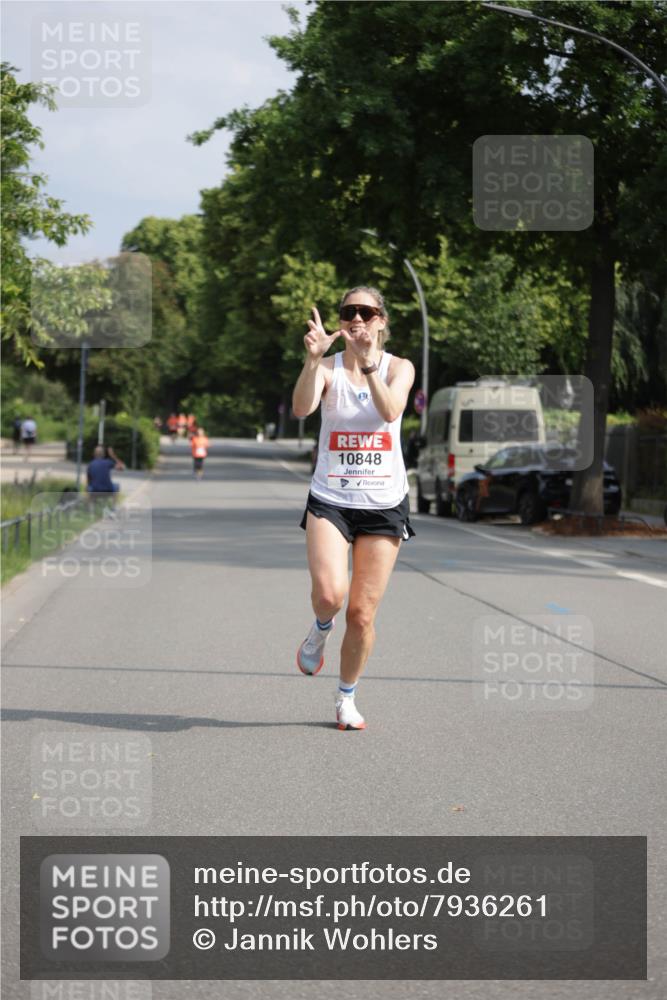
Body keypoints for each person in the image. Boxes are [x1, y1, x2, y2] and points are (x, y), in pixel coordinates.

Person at [292, 287, 416, 730]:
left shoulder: (400, 367)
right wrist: (312, 360)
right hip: (332, 498)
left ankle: (346, 697)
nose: (357, 319)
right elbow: (302, 408)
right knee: (331, 595)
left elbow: (390, 411)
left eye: (366, 312)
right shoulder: (328, 368)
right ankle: (320, 627)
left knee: (362, 614)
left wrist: (368, 362)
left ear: (382, 320)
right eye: (349, 313)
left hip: (383, 502)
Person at [86, 445, 125, 512]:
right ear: (104, 454)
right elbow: (122, 467)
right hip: (108, 491)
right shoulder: (108, 462)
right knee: (117, 486)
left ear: (94, 454)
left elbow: (89, 480)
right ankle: (113, 507)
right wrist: (112, 455)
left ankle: (91, 508)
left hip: (95, 491)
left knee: (88, 487)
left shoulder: (90, 464)